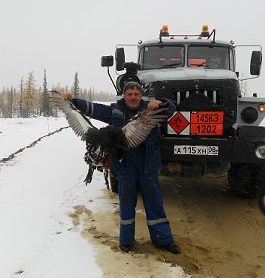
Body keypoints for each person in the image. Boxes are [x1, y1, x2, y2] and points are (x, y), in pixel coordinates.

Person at [62, 81, 181, 254]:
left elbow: (170, 107)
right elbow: (93, 109)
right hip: (125, 166)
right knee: (126, 206)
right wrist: (74, 101)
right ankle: (126, 242)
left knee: (155, 205)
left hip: (148, 164)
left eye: (136, 94)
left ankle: (163, 241)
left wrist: (161, 103)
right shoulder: (114, 110)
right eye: (129, 94)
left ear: (141, 96)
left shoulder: (150, 109)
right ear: (124, 95)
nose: (133, 97)